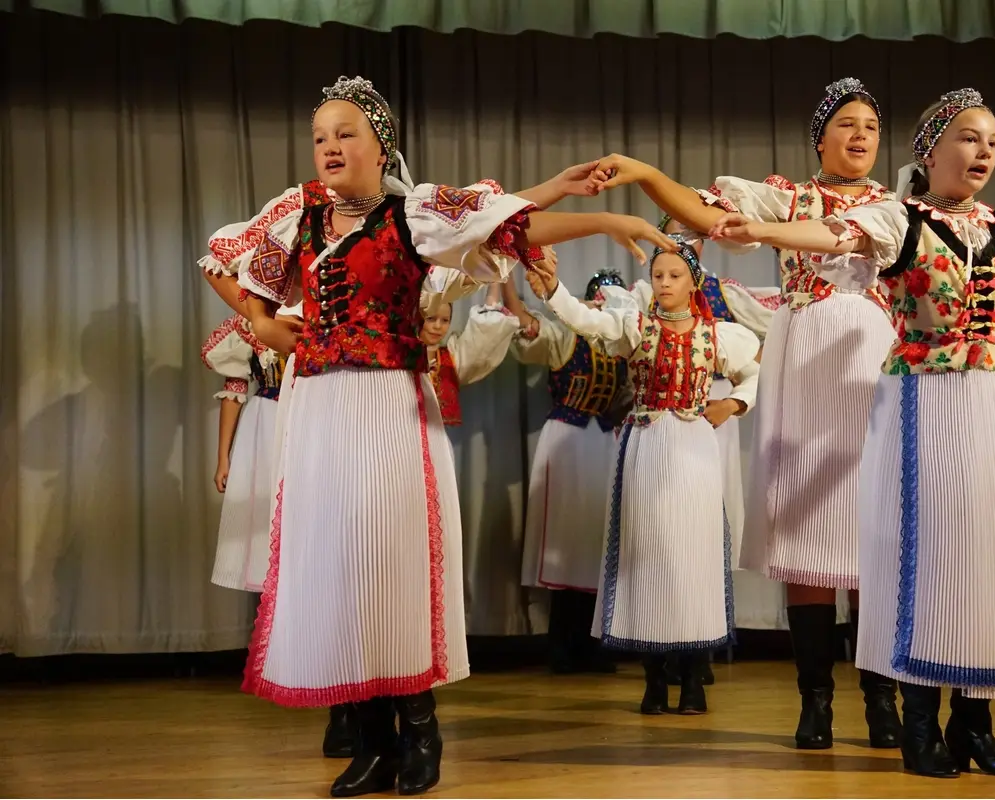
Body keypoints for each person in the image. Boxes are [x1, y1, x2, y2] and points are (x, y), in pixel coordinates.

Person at [202, 75, 674, 798]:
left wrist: (599, 216)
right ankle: (369, 742)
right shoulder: (297, 221)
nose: (330, 146)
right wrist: (267, 326)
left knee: (391, 562)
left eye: (347, 133)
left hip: (388, 406)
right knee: (335, 566)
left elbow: (505, 227)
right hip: (317, 410)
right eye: (321, 136)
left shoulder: (412, 215)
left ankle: (418, 730)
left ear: (381, 146)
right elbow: (230, 269)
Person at [707, 87, 995, 778]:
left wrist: (989, 360)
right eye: (968, 138)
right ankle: (890, 713)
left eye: (992, 142)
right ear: (929, 151)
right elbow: (830, 236)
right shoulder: (896, 217)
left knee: (986, 545)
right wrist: (763, 232)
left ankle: (961, 720)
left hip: (985, 398)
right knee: (916, 548)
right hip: (903, 388)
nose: (984, 152)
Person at [588, 78, 902, 750]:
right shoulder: (786, 195)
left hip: (870, 356)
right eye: (846, 124)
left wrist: (763, 231)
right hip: (806, 353)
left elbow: (845, 238)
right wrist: (646, 174)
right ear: (820, 137)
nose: (860, 136)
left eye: (872, 127)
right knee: (810, 534)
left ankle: (882, 702)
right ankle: (815, 701)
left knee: (873, 532)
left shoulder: (894, 207)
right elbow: (706, 215)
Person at [525, 234, 760, 716]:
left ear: (693, 282)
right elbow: (585, 319)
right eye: (658, 275)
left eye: (675, 275)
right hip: (647, 444)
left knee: (694, 556)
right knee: (648, 552)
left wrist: (732, 404)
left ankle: (692, 678)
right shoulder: (636, 326)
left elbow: (757, 373)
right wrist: (552, 290)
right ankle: (654, 679)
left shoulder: (717, 335)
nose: (665, 283)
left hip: (694, 447)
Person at [630, 217, 780, 686]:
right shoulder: (645, 293)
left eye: (691, 234)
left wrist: (733, 402)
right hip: (657, 417)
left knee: (703, 531)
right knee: (657, 535)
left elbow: (764, 343)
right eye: (674, 234)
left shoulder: (722, 292)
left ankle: (699, 649)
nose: (683, 242)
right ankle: (662, 655)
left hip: (707, 412)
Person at [507, 248, 632, 674]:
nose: (601, 307)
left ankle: (595, 644)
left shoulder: (623, 347)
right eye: (596, 299)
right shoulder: (565, 337)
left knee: (597, 539)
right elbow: (527, 328)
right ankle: (562, 645)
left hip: (602, 441)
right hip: (567, 437)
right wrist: (506, 285)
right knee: (564, 536)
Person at [201, 315, 284, 592]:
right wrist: (223, 458)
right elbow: (234, 386)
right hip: (268, 423)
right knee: (266, 517)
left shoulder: (326, 312)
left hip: (314, 417)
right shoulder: (253, 321)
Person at [421, 280, 522, 426]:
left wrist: (494, 281)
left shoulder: (451, 359)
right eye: (430, 318)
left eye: (445, 320)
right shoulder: (399, 356)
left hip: (436, 434)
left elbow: (485, 332)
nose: (438, 326)